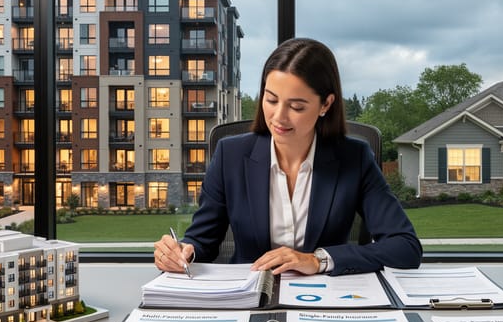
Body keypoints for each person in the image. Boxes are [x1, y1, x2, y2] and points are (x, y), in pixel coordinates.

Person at [154, 37, 422, 276]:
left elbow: (405, 247)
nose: (279, 117)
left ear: (325, 105)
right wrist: (181, 253)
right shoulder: (230, 155)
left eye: (296, 106)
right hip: (246, 300)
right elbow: (202, 242)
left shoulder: (355, 157)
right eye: (271, 100)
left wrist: (318, 260)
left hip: (325, 302)